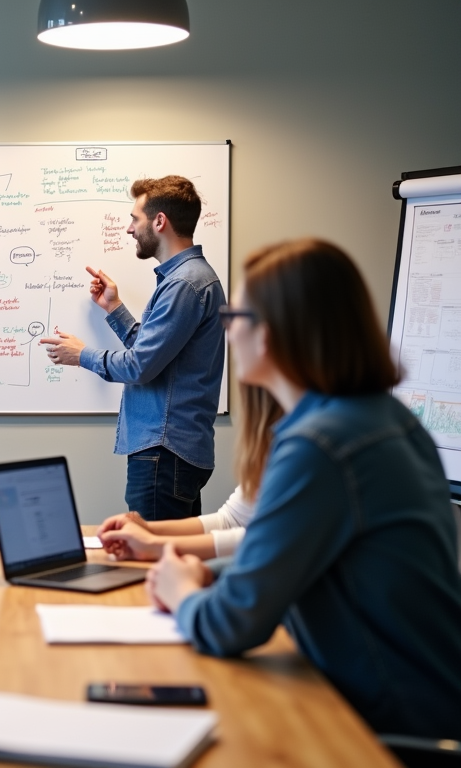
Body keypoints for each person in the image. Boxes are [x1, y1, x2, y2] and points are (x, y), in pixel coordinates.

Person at [146, 238, 461, 739]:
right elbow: (293, 556)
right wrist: (211, 573)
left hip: (391, 728)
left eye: (235, 318)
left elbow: (230, 627)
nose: (228, 332)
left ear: (268, 335)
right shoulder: (380, 417)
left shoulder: (320, 444)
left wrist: (181, 592)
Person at [40, 176, 226, 521]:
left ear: (159, 221)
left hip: (163, 450)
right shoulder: (188, 279)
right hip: (170, 451)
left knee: (151, 562)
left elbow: (141, 366)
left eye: (135, 218)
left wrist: (82, 355)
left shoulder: (185, 284)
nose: (129, 229)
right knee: (169, 558)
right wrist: (114, 308)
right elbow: (156, 353)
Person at [96, 385, 283, 560]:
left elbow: (273, 538)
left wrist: (154, 544)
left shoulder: (302, 440)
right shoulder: (279, 432)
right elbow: (231, 521)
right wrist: (147, 530)